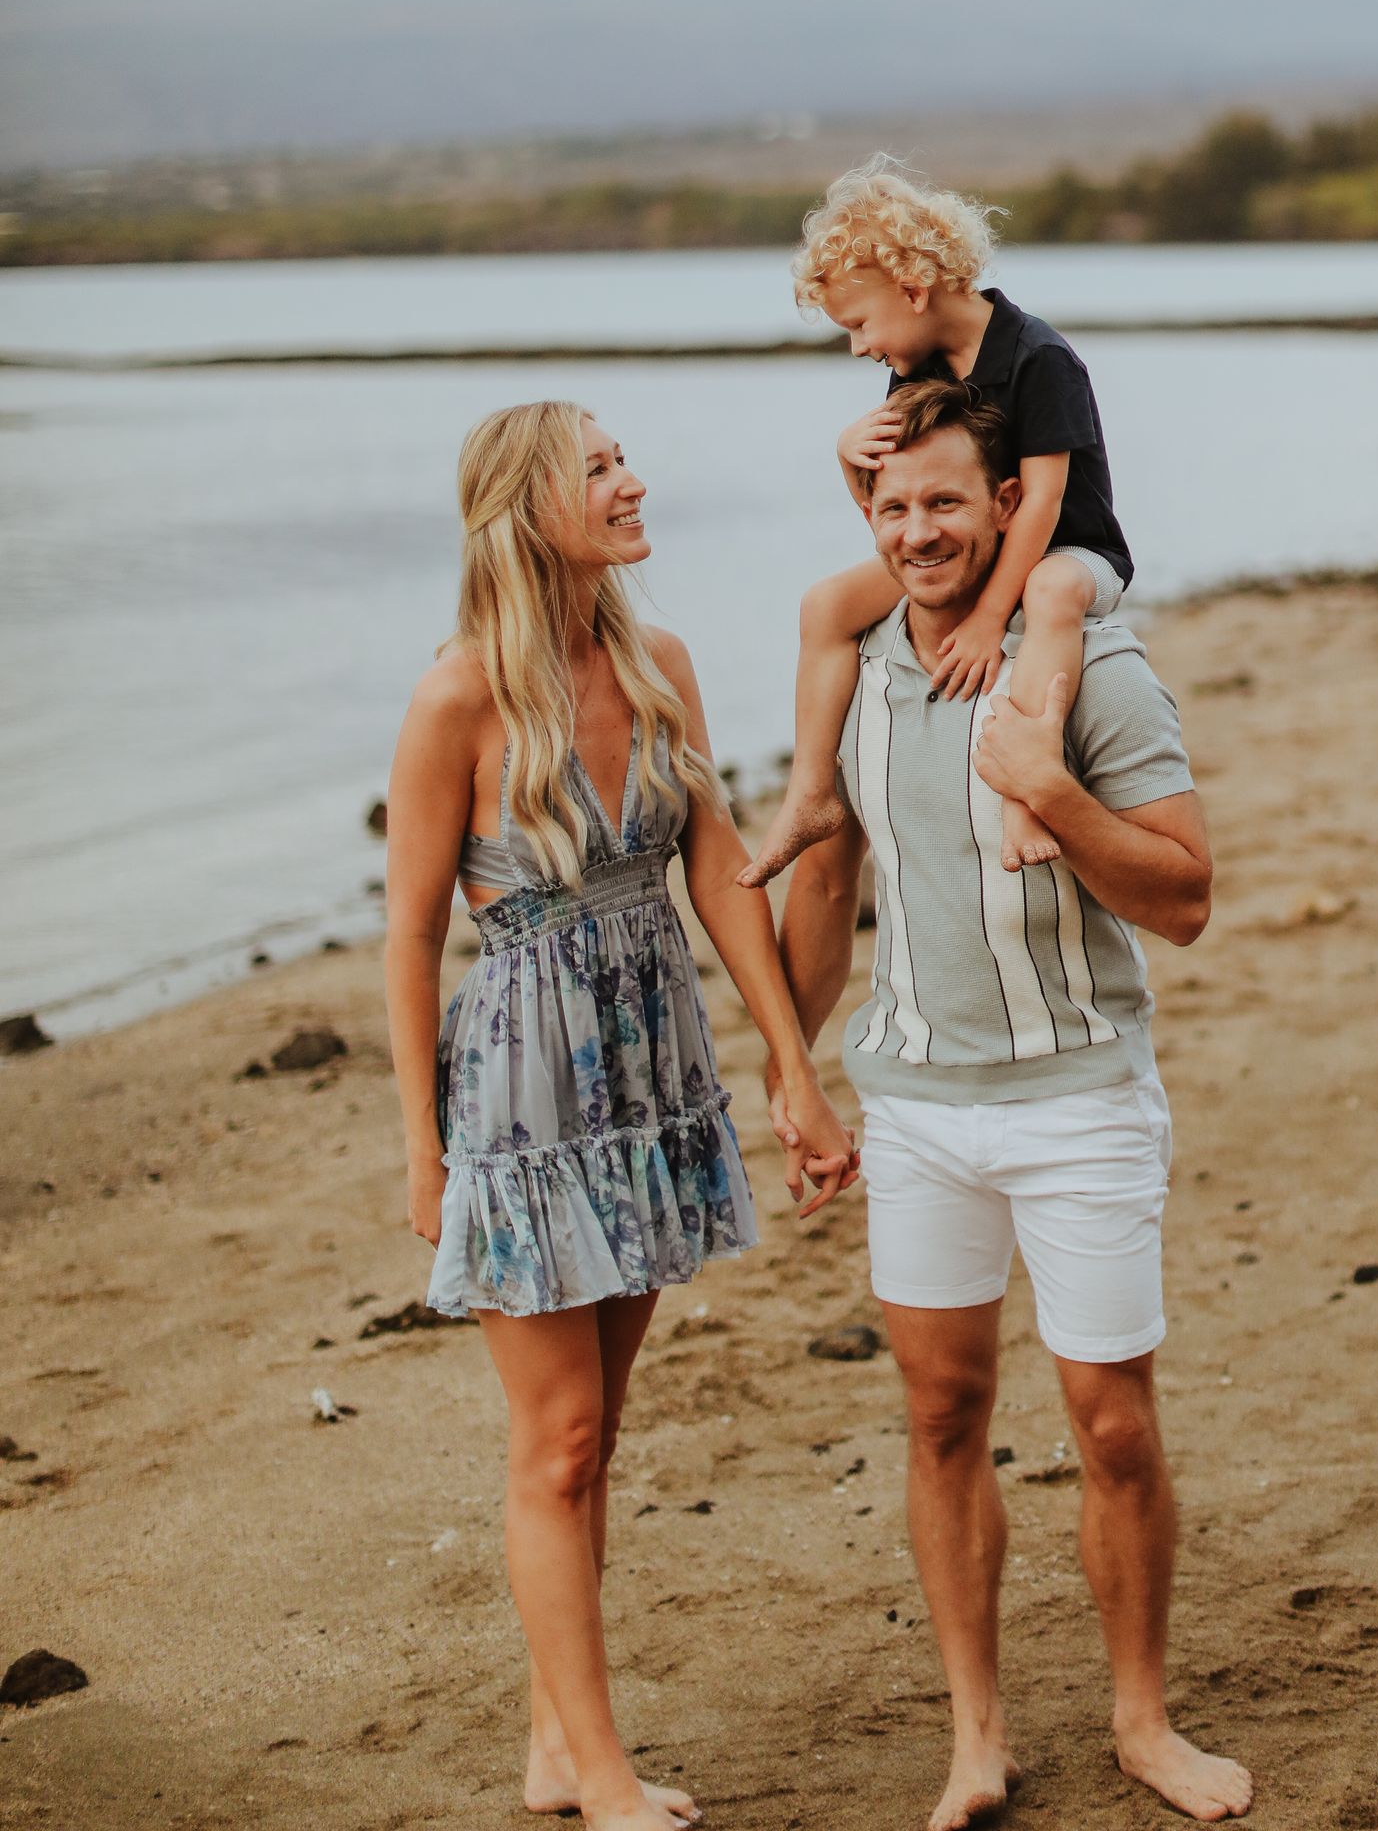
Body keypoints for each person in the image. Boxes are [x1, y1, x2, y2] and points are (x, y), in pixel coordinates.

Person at [755, 375, 1253, 1831]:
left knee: (1110, 1425)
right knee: (942, 1413)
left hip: (1080, 1097)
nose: (921, 533)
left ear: (1004, 511)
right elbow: (832, 876)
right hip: (914, 1108)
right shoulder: (855, 663)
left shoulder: (1094, 671)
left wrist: (1052, 787)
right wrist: (792, 1067)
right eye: (895, 507)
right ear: (871, 514)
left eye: (948, 505)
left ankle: (1144, 1721)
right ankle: (977, 1736)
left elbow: (1187, 899)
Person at [384, 400, 857, 1831]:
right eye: (599, 467)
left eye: (621, 458)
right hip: (524, 1098)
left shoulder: (661, 668)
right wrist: (423, 1144)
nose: (632, 480)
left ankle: (551, 1742)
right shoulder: (458, 697)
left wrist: (790, 1065)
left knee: (599, 1431)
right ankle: (597, 1779)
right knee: (562, 1442)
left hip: (652, 1080)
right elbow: (408, 937)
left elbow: (717, 873)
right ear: (529, 511)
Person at [744, 157, 1133, 884]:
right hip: (973, 551)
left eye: (859, 324)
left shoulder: (1039, 358)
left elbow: (1045, 502)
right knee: (826, 605)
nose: (860, 346)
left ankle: (1026, 788)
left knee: (1048, 593)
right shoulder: (915, 371)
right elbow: (893, 511)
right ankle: (808, 793)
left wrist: (989, 618)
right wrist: (842, 454)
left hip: (1071, 552)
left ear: (915, 289)